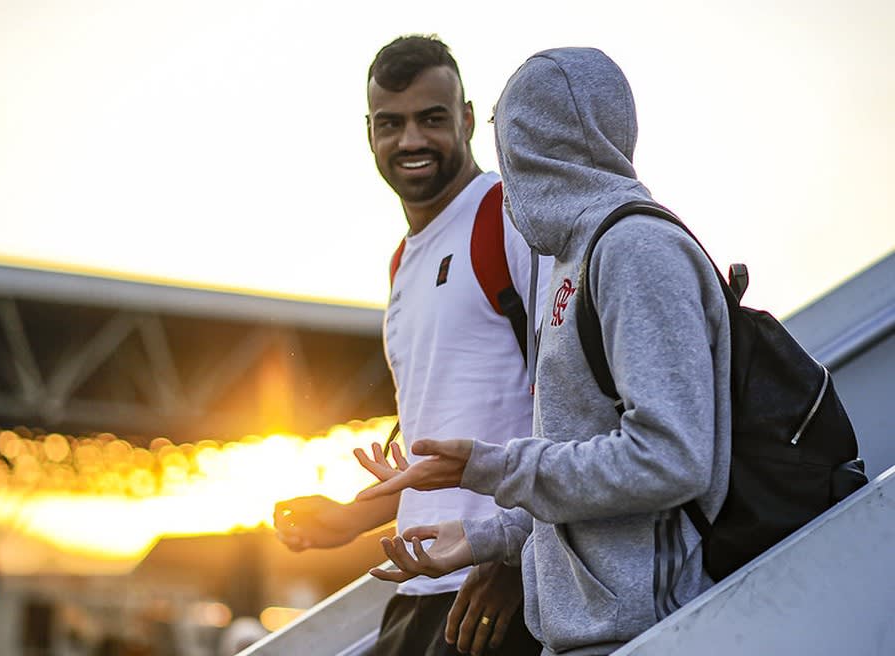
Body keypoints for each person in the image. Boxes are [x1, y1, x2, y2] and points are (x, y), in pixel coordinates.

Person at [355, 47, 733, 656]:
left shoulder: (628, 247)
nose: (515, 166)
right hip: (547, 599)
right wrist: (495, 537)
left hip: (619, 616)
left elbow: (668, 456)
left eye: (523, 134)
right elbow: (574, 430)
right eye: (389, 122)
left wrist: (505, 537)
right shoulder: (572, 249)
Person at [272, 35, 546, 656]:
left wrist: (520, 552)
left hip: (498, 592)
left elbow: (579, 404)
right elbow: (442, 449)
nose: (412, 141)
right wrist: (351, 516)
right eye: (391, 124)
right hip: (417, 591)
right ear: (369, 132)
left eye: (432, 119)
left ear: (469, 120)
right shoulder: (401, 263)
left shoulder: (510, 217)